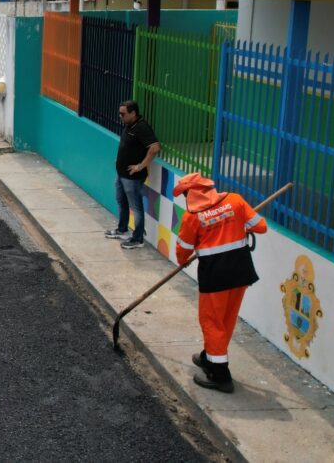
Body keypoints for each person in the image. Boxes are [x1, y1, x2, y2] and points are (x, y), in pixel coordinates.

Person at [173, 173, 267, 393]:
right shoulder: (235, 200)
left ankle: (220, 375)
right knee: (226, 319)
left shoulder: (192, 217)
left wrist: (183, 261)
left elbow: (183, 251)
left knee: (211, 322)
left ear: (191, 194)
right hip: (241, 271)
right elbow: (260, 227)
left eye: (185, 193)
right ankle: (210, 357)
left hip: (216, 275)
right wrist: (237, 226)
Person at [106, 100, 160, 249]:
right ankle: (122, 229)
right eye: (120, 113)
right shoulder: (129, 125)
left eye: (123, 114)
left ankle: (137, 239)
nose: (120, 116)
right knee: (121, 201)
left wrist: (141, 166)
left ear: (133, 113)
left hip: (132, 178)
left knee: (136, 207)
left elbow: (154, 148)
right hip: (121, 174)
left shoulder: (142, 127)